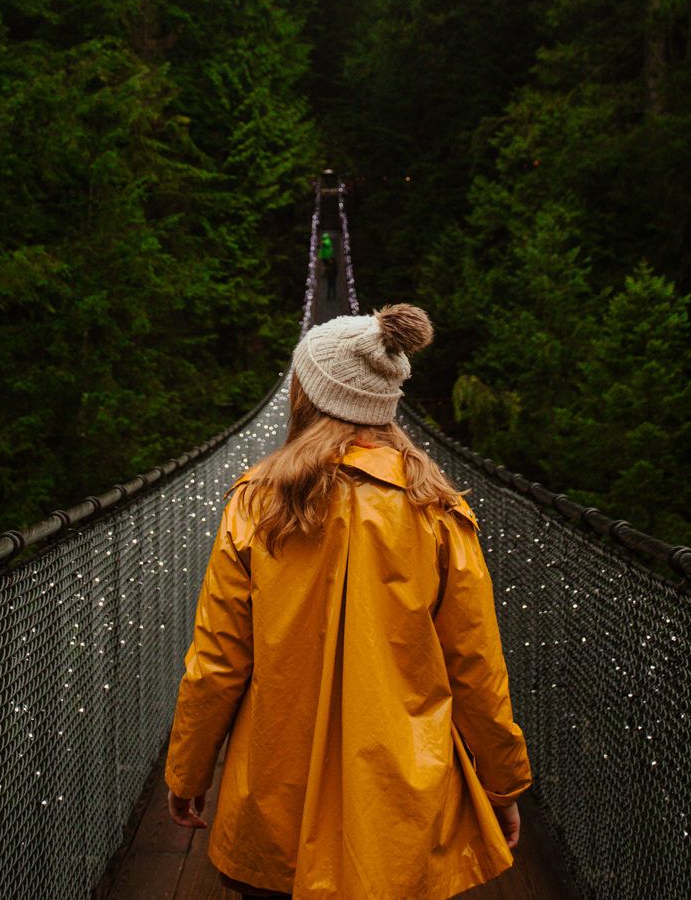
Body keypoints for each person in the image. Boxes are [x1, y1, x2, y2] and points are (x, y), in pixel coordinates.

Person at [164, 304, 532, 899]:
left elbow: (217, 662)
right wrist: (503, 782)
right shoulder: (437, 511)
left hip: (273, 792)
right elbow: (476, 666)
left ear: (307, 393)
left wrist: (188, 768)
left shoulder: (256, 505)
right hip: (400, 804)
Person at [318, 231, 337, 301]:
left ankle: (333, 296)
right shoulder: (327, 243)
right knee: (330, 286)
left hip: (332, 275)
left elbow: (325, 247)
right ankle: (330, 296)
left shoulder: (326, 242)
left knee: (332, 286)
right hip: (330, 275)